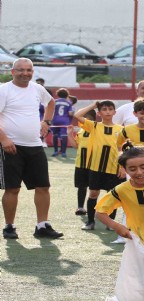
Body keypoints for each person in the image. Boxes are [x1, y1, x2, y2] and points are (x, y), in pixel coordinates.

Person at [0, 58, 63, 239]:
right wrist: (4, 139)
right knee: (12, 188)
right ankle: (9, 226)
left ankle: (42, 226)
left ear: (33, 72)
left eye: (28, 70)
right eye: (20, 70)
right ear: (13, 72)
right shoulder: (4, 90)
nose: (25, 73)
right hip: (10, 146)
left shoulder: (37, 88)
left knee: (43, 186)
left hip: (35, 145)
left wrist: (46, 121)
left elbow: (51, 103)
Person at [73, 100, 124, 230]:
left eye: (110, 109)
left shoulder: (121, 130)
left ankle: (110, 223)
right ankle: (90, 222)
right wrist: (93, 105)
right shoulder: (94, 126)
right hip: (95, 168)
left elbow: (123, 150)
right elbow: (77, 116)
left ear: (114, 112)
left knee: (112, 196)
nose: (107, 112)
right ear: (99, 113)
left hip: (113, 168)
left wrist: (122, 167)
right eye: (104, 109)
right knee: (93, 193)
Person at [67, 109, 95, 216]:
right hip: (80, 164)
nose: (85, 121)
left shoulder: (96, 129)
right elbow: (76, 146)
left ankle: (94, 209)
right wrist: (70, 134)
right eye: (84, 118)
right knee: (81, 186)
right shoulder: (81, 131)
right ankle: (80, 207)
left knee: (94, 188)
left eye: (88, 118)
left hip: (94, 164)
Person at [50, 88, 74, 158]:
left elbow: (51, 111)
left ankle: (55, 151)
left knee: (55, 135)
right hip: (64, 121)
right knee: (64, 136)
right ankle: (63, 152)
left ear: (58, 94)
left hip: (55, 120)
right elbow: (70, 113)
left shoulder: (54, 101)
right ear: (67, 95)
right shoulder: (68, 103)